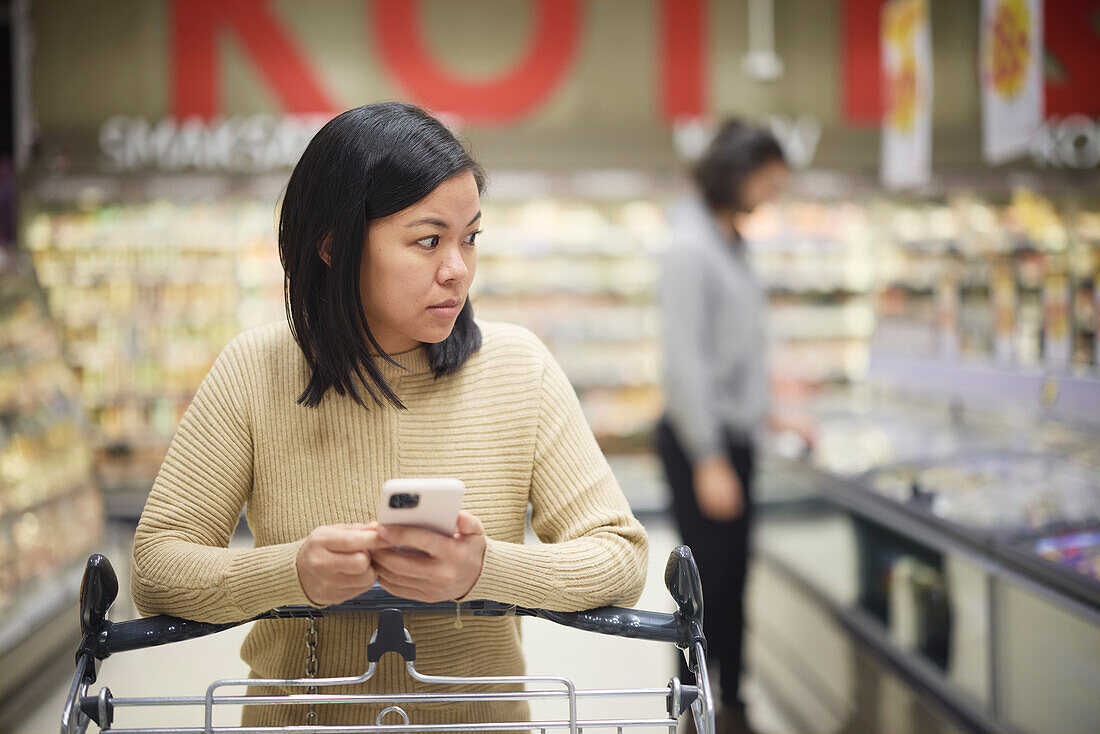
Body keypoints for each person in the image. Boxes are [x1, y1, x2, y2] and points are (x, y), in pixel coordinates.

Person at [130, 102, 649, 727]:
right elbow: (157, 566)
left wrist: (483, 570)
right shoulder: (255, 370)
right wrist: (293, 573)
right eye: (428, 241)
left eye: (470, 238)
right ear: (332, 243)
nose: (457, 270)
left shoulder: (518, 368)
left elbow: (620, 557)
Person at [655, 119, 789, 734]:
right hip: (701, 445)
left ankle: (730, 701)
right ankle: (695, 708)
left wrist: (769, 410)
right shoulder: (691, 247)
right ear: (738, 173)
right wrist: (708, 455)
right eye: (768, 178)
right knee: (704, 590)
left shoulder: (730, 241)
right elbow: (685, 361)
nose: (773, 192)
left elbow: (736, 350)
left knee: (731, 582)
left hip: (732, 438)